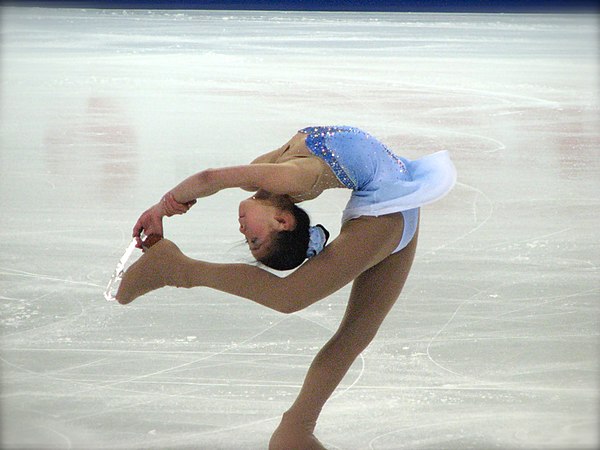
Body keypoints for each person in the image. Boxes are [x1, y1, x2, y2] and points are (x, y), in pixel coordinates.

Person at [116, 126, 456, 449]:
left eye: (251, 240)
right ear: (282, 219)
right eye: (252, 239)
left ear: (282, 219)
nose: (242, 231)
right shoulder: (282, 177)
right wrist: (174, 205)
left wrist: (164, 206)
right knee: (338, 323)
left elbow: (210, 179)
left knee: (309, 307)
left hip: (395, 204)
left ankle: (178, 269)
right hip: (397, 204)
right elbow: (221, 180)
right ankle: (295, 431)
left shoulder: (284, 175)